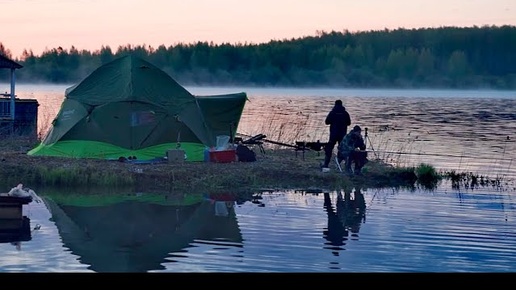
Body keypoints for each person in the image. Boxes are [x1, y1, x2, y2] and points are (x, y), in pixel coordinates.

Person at [321, 100, 351, 171]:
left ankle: (326, 164)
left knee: (329, 149)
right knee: (341, 149)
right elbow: (349, 123)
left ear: (335, 105)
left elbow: (327, 122)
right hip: (342, 135)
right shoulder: (345, 113)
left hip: (333, 134)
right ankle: (339, 165)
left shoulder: (332, 113)